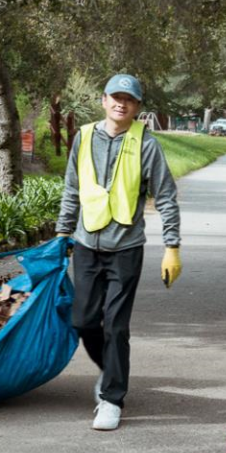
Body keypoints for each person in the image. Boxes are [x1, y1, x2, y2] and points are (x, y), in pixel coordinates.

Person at [54, 73, 183, 432]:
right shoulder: (83, 137)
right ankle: (110, 372)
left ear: (137, 107)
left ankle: (112, 398)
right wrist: (62, 233)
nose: (121, 103)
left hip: (126, 248)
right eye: (115, 97)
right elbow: (72, 188)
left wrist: (172, 246)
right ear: (103, 99)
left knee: (116, 325)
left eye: (129, 99)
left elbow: (166, 197)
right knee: (82, 320)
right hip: (85, 244)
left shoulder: (147, 144)